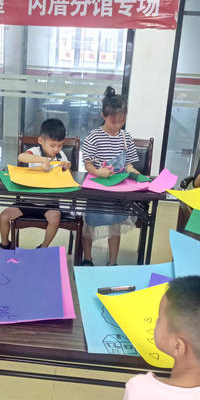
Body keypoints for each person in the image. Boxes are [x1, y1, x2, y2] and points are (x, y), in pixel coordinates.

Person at [81, 86, 142, 266]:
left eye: (121, 121)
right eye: (113, 121)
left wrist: (132, 170)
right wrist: (98, 172)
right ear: (103, 115)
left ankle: (113, 261)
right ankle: (87, 258)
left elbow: (129, 163)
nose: (117, 126)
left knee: (115, 226)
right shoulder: (94, 137)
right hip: (97, 189)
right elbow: (88, 164)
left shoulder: (126, 138)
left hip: (117, 191)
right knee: (89, 224)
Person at [0, 118, 72, 249]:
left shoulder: (61, 156)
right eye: (52, 145)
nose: (56, 149)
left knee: (55, 219)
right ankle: (5, 245)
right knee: (4, 216)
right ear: (41, 141)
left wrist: (66, 167)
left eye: (60, 145)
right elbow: (21, 157)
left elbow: (65, 176)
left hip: (50, 203)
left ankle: (43, 247)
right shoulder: (35, 151)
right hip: (28, 201)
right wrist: (43, 160)